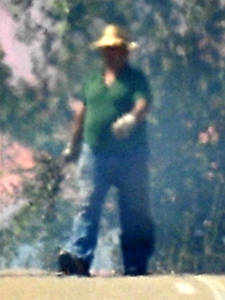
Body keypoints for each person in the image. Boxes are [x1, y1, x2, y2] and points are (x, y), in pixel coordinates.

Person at [57, 24, 155, 277]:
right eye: (107, 49)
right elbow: (83, 112)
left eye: (116, 49)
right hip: (95, 153)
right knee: (87, 204)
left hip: (130, 155)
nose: (111, 54)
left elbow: (143, 104)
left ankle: (135, 265)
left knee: (134, 211)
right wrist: (73, 144)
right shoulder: (93, 80)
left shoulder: (135, 79)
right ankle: (78, 257)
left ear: (125, 52)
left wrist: (132, 119)